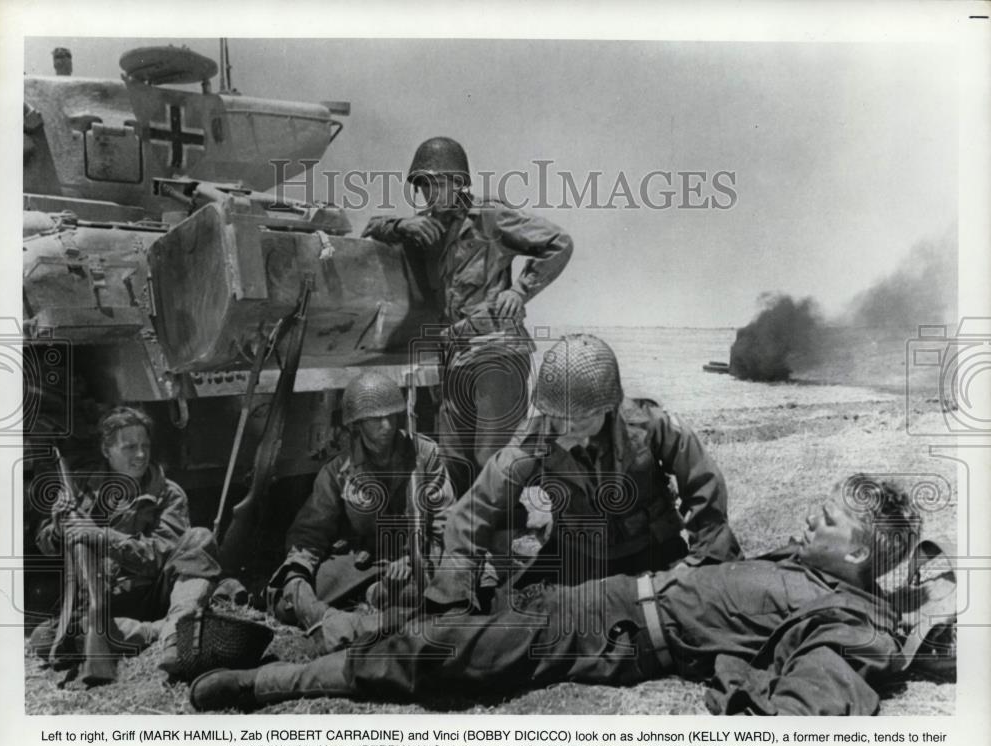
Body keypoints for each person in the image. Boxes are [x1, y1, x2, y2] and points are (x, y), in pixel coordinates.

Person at [190, 474, 955, 716]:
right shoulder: (827, 570)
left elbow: (807, 708)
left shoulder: (849, 621)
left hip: (611, 633)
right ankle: (328, 634)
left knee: (444, 650)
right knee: (457, 606)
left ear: (855, 551)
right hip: (606, 599)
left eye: (825, 520)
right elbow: (915, 568)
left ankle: (265, 685)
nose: (808, 519)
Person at [424, 333, 739, 613]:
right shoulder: (533, 442)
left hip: (652, 552)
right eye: (560, 417)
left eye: (582, 418)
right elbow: (477, 509)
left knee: (691, 609)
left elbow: (703, 483)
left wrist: (705, 563)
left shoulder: (650, 423)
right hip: (577, 558)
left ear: (608, 405)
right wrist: (455, 586)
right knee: (517, 614)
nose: (568, 427)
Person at [363, 137, 573, 495]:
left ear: (458, 182)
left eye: (436, 183)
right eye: (423, 185)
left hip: (497, 352)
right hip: (454, 357)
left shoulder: (490, 216)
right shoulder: (426, 228)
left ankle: (503, 536)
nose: (429, 193)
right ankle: (465, 538)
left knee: (491, 457)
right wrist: (400, 227)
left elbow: (559, 242)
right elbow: (371, 228)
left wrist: (519, 290)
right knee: (453, 459)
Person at [265, 371, 455, 650]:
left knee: (432, 588)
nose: (387, 425)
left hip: (417, 561)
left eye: (392, 416)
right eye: (375, 419)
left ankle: (380, 608)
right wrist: (297, 574)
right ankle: (371, 600)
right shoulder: (339, 471)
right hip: (363, 565)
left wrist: (420, 557)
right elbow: (310, 533)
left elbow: (445, 522)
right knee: (289, 602)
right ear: (357, 424)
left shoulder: (425, 456)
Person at [32, 406, 221, 679]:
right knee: (44, 638)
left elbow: (160, 556)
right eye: (130, 447)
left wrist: (102, 536)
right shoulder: (81, 488)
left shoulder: (168, 494)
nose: (141, 454)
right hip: (105, 601)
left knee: (200, 538)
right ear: (107, 451)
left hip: (152, 592)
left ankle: (175, 637)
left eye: (145, 445)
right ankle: (162, 630)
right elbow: (47, 546)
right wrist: (59, 527)